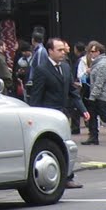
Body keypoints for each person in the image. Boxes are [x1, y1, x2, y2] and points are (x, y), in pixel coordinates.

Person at [23, 38, 85, 188]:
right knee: (53, 145)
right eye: (59, 50)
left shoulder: (65, 67)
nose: (63, 53)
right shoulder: (42, 70)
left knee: (66, 144)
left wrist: (83, 109)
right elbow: (37, 95)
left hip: (63, 114)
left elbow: (71, 90)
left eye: (64, 50)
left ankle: (68, 177)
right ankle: (58, 176)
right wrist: (34, 114)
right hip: (48, 115)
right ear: (50, 51)